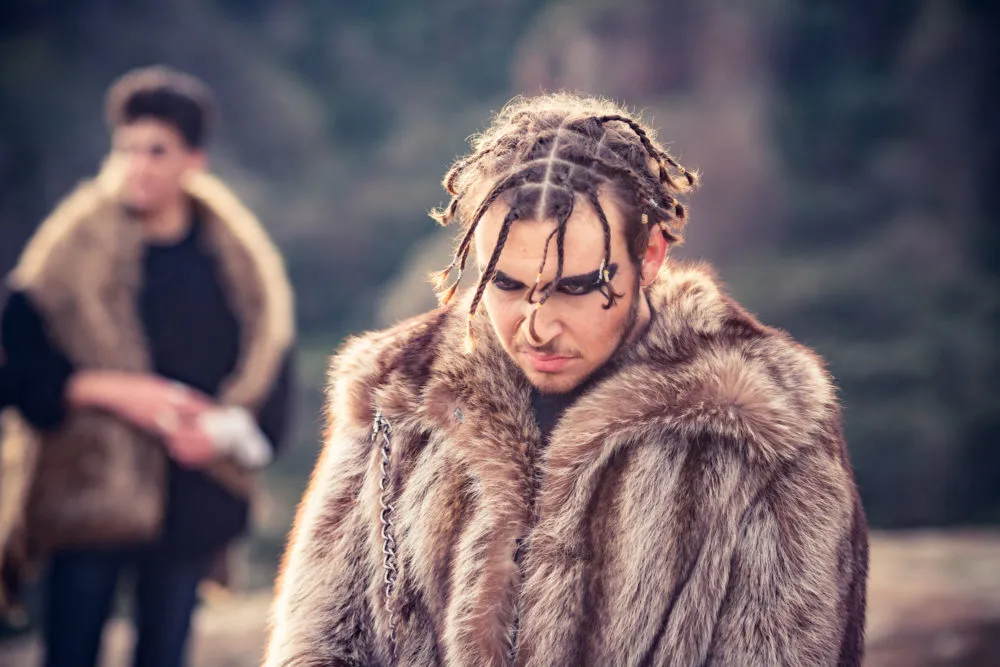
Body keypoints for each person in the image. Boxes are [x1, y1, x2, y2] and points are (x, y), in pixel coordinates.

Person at [265, 93, 868, 666]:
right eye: (504, 283)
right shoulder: (399, 392)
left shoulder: (765, 424)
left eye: (576, 287)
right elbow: (319, 641)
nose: (536, 327)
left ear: (650, 256)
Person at [0, 65, 295, 667]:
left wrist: (220, 435)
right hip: (88, 496)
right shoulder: (69, 254)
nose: (137, 165)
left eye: (156, 151)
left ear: (194, 160)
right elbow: (16, 370)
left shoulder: (233, 260)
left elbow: (269, 365)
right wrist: (105, 389)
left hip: (193, 497)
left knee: (165, 653)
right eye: (126, 149)